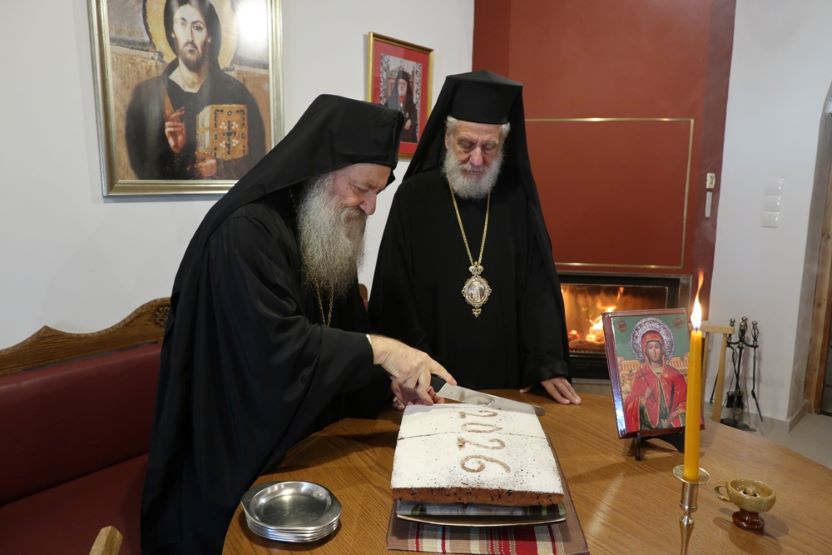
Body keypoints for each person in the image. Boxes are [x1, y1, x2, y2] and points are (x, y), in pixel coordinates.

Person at [140, 94, 455, 554]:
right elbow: (273, 352)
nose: (370, 207)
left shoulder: (325, 225)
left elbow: (345, 332)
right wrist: (386, 351)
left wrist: (387, 383)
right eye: (362, 188)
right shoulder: (245, 232)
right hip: (239, 453)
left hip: (309, 442)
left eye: (378, 192)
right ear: (321, 168)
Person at [369, 70, 581, 405]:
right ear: (447, 137)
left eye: (489, 147)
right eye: (466, 145)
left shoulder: (516, 200)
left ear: (503, 144)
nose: (478, 159)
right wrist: (414, 373)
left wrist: (546, 361)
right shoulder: (414, 198)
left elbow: (538, 287)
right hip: (432, 382)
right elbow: (396, 293)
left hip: (506, 381)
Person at [126, 0, 266, 179]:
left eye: (198, 27)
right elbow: (144, 170)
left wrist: (218, 167)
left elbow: (256, 164)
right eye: (182, 24)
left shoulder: (237, 94)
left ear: (210, 36)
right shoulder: (147, 95)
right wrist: (176, 152)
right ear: (172, 31)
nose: (190, 37)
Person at [623, 323, 687, 433]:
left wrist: (675, 414)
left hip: (673, 424)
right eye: (650, 347)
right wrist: (642, 400)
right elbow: (630, 403)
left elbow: (685, 400)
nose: (654, 351)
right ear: (645, 351)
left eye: (657, 347)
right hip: (647, 426)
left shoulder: (674, 373)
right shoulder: (641, 374)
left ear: (662, 349)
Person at [384, 68, 418, 142]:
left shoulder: (410, 101)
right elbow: (384, 114)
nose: (401, 86)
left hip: (407, 137)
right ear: (397, 85)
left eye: (404, 84)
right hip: (394, 136)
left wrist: (411, 120)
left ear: (407, 86)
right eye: (400, 83)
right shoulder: (390, 100)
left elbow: (414, 114)